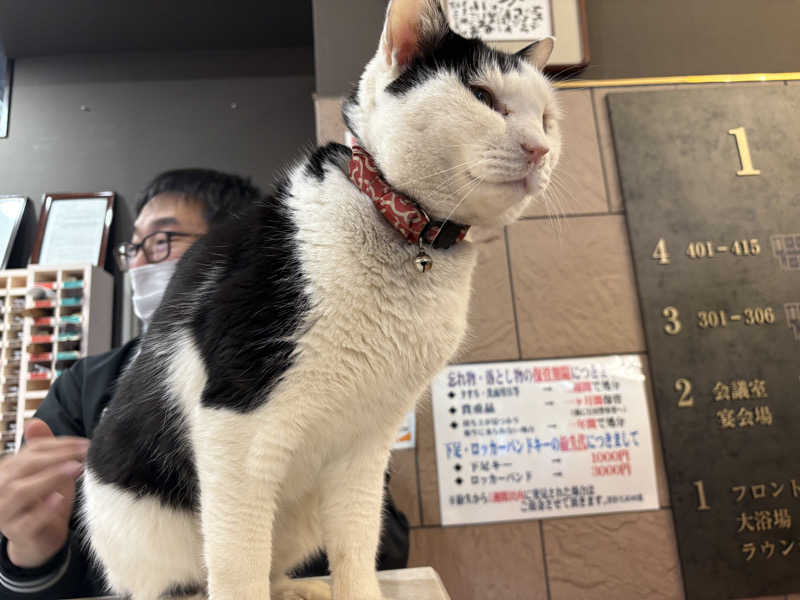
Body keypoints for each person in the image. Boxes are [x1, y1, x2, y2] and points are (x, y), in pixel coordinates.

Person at [0, 169, 410, 599]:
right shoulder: (81, 387)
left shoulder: (328, 380)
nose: (139, 264)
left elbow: (388, 550)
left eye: (162, 241)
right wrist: (31, 550)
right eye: (133, 248)